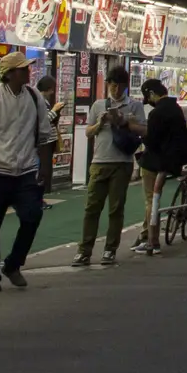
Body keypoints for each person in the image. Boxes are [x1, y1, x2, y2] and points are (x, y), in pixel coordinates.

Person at [0, 58, 52, 290]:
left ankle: (13, 264)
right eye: (22, 69)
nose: (28, 72)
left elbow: (44, 134)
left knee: (32, 216)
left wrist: (45, 168)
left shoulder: (34, 97)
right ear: (9, 73)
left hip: (25, 171)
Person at [74, 62, 144, 266]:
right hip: (99, 161)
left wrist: (124, 121)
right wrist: (100, 123)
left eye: (119, 85)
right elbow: (88, 132)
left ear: (125, 86)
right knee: (91, 208)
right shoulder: (98, 106)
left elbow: (143, 130)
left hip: (122, 162)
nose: (115, 89)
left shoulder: (134, 106)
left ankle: (110, 249)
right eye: (112, 85)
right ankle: (84, 250)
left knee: (116, 208)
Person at [134, 79, 187, 253]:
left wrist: (141, 136)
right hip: (174, 161)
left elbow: (152, 140)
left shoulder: (157, 113)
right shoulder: (177, 109)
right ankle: (145, 234)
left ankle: (152, 240)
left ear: (151, 94)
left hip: (155, 162)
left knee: (151, 200)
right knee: (153, 199)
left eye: (147, 97)